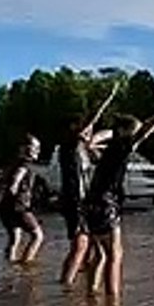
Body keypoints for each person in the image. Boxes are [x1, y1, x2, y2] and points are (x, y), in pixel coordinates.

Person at [84, 101, 154, 296]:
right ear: (124, 131)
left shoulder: (109, 150)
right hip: (105, 204)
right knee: (114, 256)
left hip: (90, 205)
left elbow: (93, 142)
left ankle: (91, 295)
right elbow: (145, 132)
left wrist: (107, 134)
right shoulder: (121, 146)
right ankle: (112, 302)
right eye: (133, 131)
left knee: (99, 254)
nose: (137, 136)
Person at [58, 117, 106, 285]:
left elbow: (107, 139)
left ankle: (87, 290)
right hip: (74, 201)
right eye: (86, 129)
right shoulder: (68, 147)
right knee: (80, 246)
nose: (89, 132)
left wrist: (94, 145)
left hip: (86, 202)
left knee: (94, 251)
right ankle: (66, 288)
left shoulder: (84, 151)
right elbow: (84, 128)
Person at [0, 135, 45, 264]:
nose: (38, 150)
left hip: (4, 207)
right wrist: (14, 187)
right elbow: (17, 177)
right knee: (38, 236)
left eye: (38, 147)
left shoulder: (14, 163)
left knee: (14, 239)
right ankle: (26, 265)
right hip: (19, 206)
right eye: (35, 147)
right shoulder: (25, 164)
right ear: (23, 148)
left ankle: (10, 267)